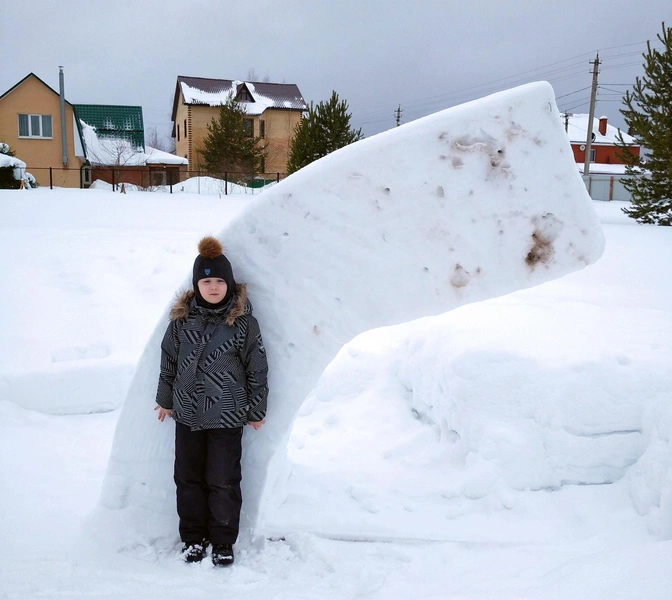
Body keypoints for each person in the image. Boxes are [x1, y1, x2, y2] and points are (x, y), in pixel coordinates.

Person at [154, 236, 268, 567]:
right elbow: (168, 362)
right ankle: (193, 538)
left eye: (220, 281)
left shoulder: (243, 322)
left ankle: (222, 541)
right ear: (197, 285)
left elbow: (257, 367)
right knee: (188, 478)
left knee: (223, 480)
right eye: (207, 281)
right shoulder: (181, 320)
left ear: (229, 283)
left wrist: (257, 409)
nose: (214, 287)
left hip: (228, 414)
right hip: (188, 414)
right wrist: (165, 399)